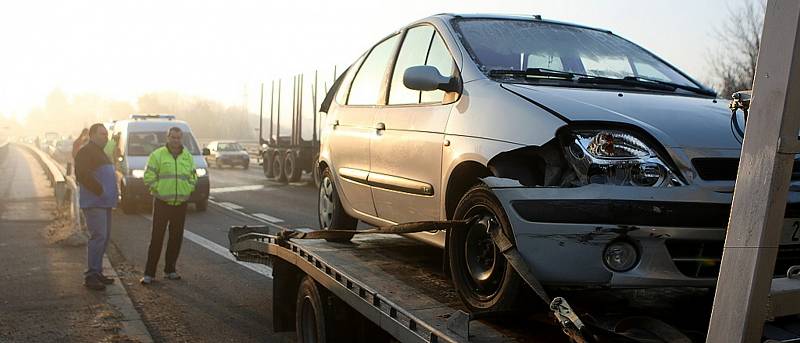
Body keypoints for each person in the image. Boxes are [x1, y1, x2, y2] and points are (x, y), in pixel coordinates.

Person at [140, 127, 197, 284]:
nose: (176, 140)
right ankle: (149, 273)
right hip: (162, 203)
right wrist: (159, 190)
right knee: (157, 238)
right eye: (173, 137)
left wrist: (189, 188)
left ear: (182, 139)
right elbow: (148, 177)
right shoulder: (157, 155)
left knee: (176, 238)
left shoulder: (187, 156)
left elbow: (193, 177)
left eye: (178, 138)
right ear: (168, 137)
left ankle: (170, 270)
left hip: (180, 204)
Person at [74, 123, 118, 291]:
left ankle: (97, 271)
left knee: (104, 238)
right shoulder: (86, 151)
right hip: (94, 202)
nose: (105, 137)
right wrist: (99, 190)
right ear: (92, 135)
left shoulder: (100, 152)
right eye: (101, 134)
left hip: (104, 202)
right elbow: (82, 175)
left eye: (106, 134)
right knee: (98, 237)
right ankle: (91, 275)